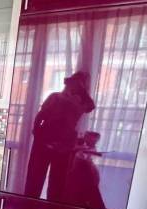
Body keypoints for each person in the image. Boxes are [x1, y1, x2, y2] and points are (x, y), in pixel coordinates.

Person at [25, 71, 96, 202]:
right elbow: (41, 115)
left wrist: (81, 90)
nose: (73, 86)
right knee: (35, 178)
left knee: (57, 182)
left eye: (78, 84)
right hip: (44, 141)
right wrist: (36, 132)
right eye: (72, 82)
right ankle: (28, 208)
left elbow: (91, 106)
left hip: (64, 145)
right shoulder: (55, 97)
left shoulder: (81, 102)